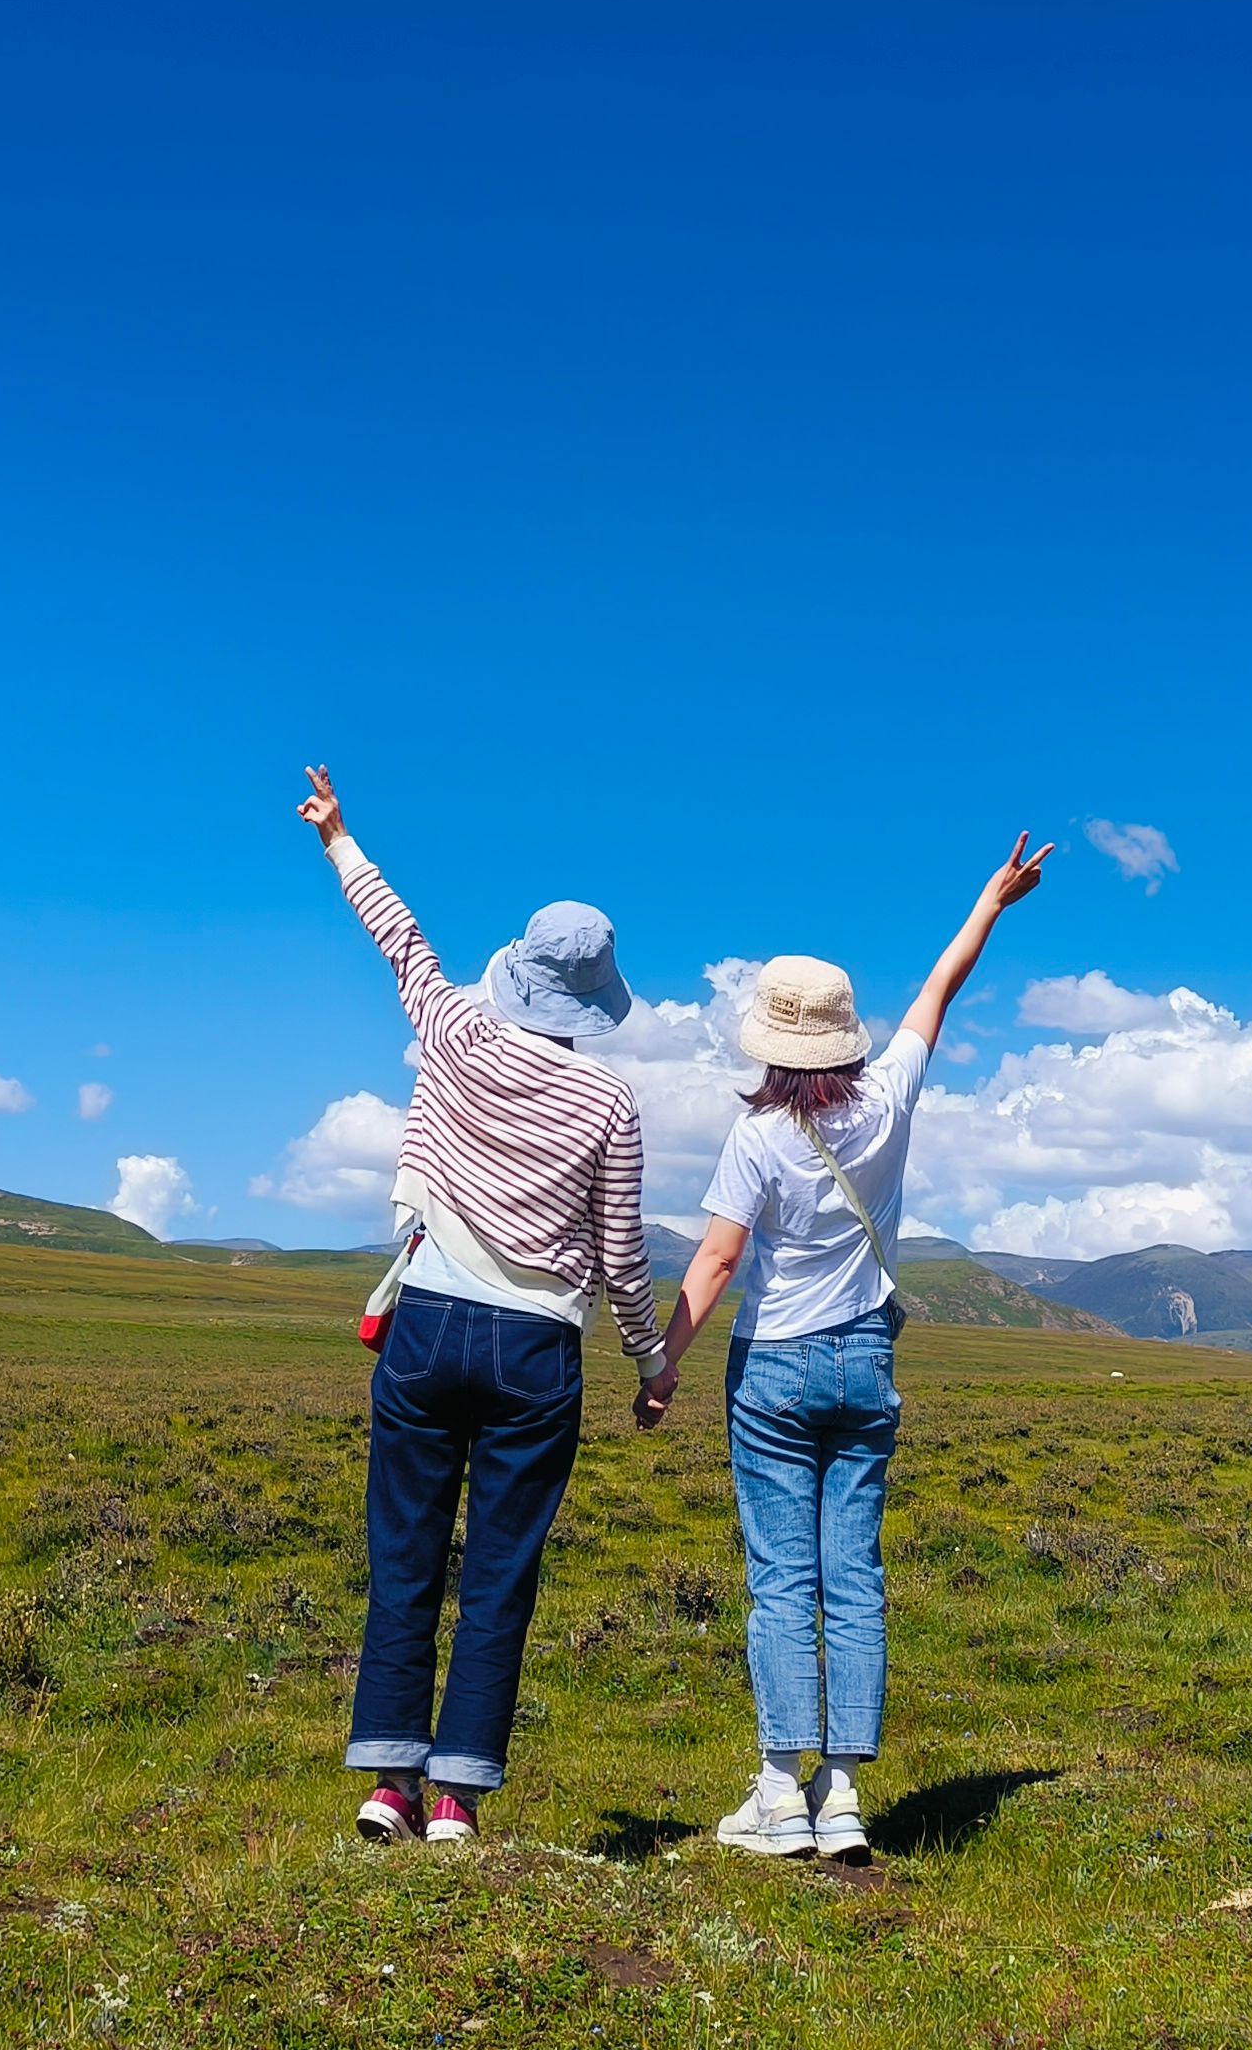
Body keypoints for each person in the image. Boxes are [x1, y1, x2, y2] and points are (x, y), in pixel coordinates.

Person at [638, 833, 1050, 1862]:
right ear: (844, 1037)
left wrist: (664, 1364)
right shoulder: (891, 1100)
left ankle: (779, 1794)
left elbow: (718, 1262)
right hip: (866, 1360)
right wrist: (989, 903)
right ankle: (845, 1799)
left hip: (772, 1366)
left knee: (782, 1579)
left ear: (770, 1042)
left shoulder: (758, 1138)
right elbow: (936, 992)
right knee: (852, 1576)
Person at [297, 764, 662, 1845]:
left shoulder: (452, 1028)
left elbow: (397, 937)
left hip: (425, 1323)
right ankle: (457, 1797)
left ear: (516, 969)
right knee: (500, 1570)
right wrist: (651, 1365)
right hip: (538, 1350)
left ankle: (386, 1787)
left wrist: (338, 839)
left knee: (404, 1552)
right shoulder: (610, 1099)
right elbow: (621, 1254)